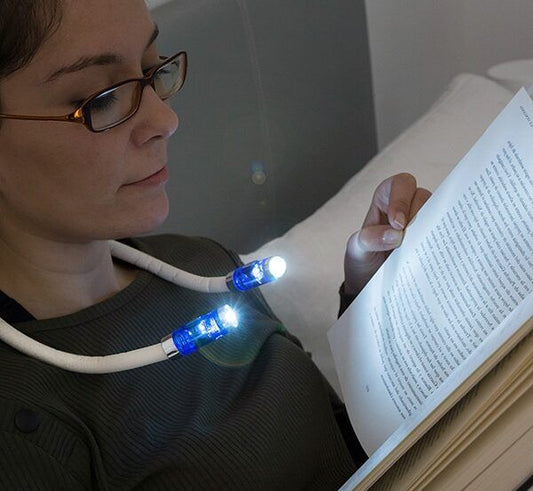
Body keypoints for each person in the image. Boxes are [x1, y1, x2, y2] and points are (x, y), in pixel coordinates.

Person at [0, 1, 431, 489]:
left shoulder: (202, 268)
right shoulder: (21, 420)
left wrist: (372, 295)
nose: (166, 119)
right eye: (102, 99)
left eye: (152, 70)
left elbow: (345, 448)